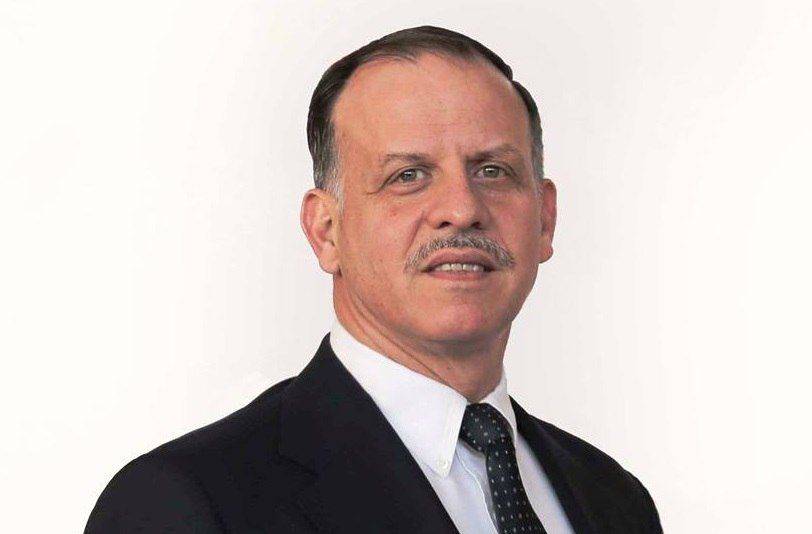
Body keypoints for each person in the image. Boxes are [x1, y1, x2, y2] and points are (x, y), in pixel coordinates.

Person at [85, 26, 662, 533]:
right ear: (326, 231)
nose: (462, 208)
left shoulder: (614, 501)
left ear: (545, 218)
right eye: (408, 175)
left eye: (493, 170)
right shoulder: (186, 504)